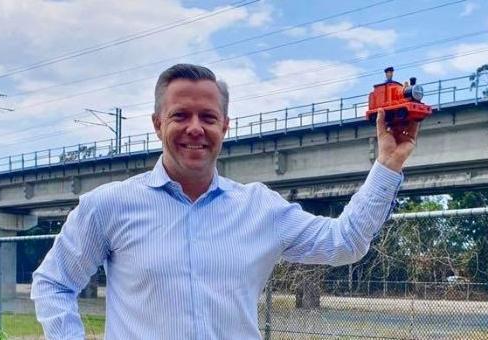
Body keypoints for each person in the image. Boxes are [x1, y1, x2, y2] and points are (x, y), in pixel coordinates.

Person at [31, 63, 419, 339]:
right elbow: (54, 282)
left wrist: (387, 164)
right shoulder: (108, 206)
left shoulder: (260, 209)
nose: (195, 129)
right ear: (157, 124)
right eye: (180, 115)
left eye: (208, 117)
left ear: (225, 127)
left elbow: (345, 242)